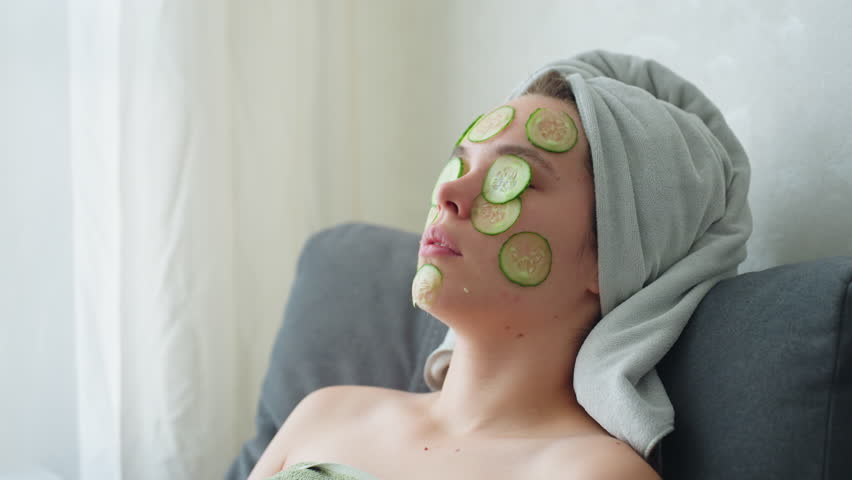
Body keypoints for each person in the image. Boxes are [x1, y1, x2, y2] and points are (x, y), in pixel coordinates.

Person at [248, 50, 751, 480]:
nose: (446, 192)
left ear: (614, 256)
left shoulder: (592, 474)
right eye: (460, 162)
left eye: (515, 177)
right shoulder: (324, 412)